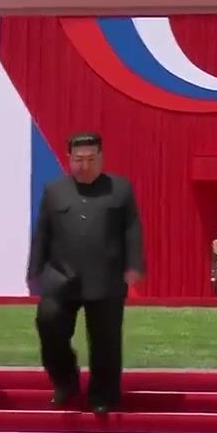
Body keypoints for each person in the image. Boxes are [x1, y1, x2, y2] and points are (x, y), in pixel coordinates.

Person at [27, 132, 145, 415]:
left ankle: (103, 395)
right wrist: (34, 271)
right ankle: (65, 381)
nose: (85, 165)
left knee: (105, 340)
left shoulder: (120, 189)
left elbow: (132, 229)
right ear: (69, 159)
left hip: (105, 276)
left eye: (91, 159)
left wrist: (134, 265)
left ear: (101, 158)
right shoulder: (55, 190)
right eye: (79, 160)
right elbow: (42, 233)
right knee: (49, 324)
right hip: (60, 275)